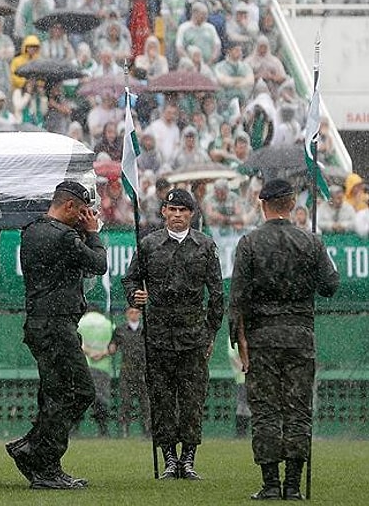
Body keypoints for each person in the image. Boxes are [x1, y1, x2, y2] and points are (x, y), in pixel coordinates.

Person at [231, 179, 339, 501]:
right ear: (292, 204)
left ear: (263, 204)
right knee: (297, 409)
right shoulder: (311, 242)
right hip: (300, 336)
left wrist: (240, 342)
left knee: (265, 410)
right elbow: (330, 286)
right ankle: (293, 484)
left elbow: (237, 299)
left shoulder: (249, 243)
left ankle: (270, 484)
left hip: (262, 338)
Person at [6, 181, 106, 490]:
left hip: (41, 324)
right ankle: (39, 454)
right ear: (70, 207)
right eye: (81, 211)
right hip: (56, 325)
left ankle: (41, 458)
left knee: (54, 395)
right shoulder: (64, 237)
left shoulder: (33, 230)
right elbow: (99, 264)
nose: (82, 217)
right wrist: (93, 232)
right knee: (78, 392)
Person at [122, 188, 223, 480]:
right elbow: (129, 279)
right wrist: (135, 295)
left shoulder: (205, 246)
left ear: (192, 214)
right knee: (162, 399)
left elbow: (216, 293)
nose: (178, 215)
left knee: (192, 399)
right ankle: (169, 457)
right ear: (164, 212)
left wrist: (211, 332)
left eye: (183, 210)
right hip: (158, 334)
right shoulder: (149, 245)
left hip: (193, 334)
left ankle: (188, 458)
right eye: (173, 209)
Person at [109, 307, 151, 438]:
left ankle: (147, 430)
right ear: (127, 314)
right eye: (131, 312)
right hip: (127, 370)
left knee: (145, 402)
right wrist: (111, 347)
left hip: (143, 370)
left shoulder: (146, 330)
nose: (134, 315)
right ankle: (124, 430)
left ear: (140, 314)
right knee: (125, 401)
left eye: (136, 312)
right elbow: (112, 346)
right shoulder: (120, 330)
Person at [77, 308, 115, 438]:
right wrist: (101, 353)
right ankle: (103, 429)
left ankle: (75, 430)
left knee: (79, 396)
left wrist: (90, 352)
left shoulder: (81, 323)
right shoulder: (108, 324)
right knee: (102, 398)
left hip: (84, 365)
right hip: (103, 367)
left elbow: (77, 342)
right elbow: (113, 345)